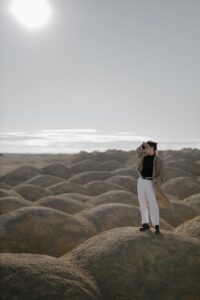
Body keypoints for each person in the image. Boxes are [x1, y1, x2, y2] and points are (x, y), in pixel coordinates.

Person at [136, 140, 166, 234]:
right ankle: (145, 224)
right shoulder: (143, 156)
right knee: (142, 204)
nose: (145, 149)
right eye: (145, 147)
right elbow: (137, 151)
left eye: (147, 147)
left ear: (153, 148)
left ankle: (156, 226)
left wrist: (156, 179)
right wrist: (142, 145)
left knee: (153, 205)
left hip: (151, 183)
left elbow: (162, 175)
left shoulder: (159, 160)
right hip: (141, 181)